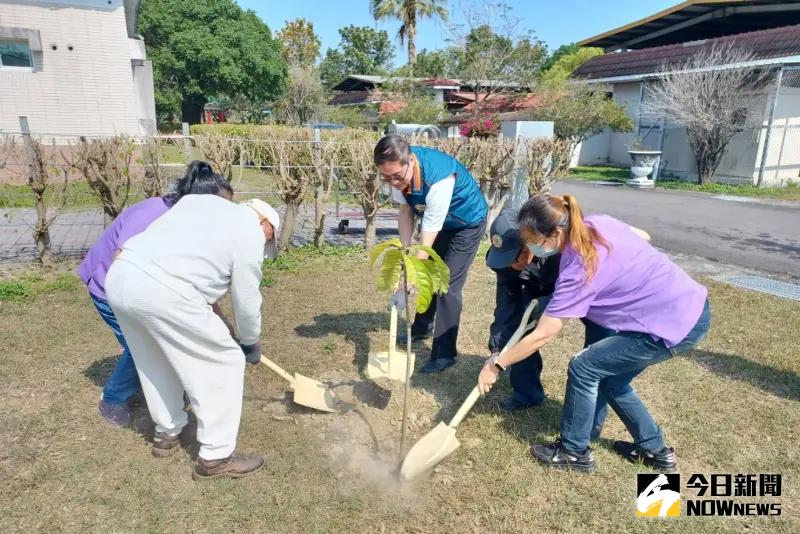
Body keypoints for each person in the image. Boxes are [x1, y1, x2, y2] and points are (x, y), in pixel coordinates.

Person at [477, 195, 710, 474]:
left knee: (585, 367)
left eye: (532, 240)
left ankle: (574, 452)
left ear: (556, 233)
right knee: (612, 381)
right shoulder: (597, 223)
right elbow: (642, 235)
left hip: (671, 324)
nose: (530, 246)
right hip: (690, 307)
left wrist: (497, 364)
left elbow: (544, 333)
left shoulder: (578, 269)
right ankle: (656, 452)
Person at [105, 195, 280, 480]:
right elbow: (246, 300)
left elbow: (190, 267)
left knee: (153, 357)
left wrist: (222, 324)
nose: (265, 246)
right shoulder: (249, 231)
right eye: (269, 238)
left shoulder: (199, 202)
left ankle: (167, 431)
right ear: (263, 222)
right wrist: (249, 343)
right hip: (163, 290)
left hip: (122, 276)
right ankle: (216, 456)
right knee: (226, 360)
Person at [79, 161, 234, 428]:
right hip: (111, 288)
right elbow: (121, 267)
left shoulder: (188, 226)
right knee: (143, 345)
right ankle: (113, 399)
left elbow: (194, 280)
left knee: (157, 340)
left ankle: (168, 382)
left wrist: (224, 323)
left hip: (141, 288)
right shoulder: (153, 214)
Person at [374, 135, 488, 374]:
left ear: (411, 161)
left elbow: (427, 240)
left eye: (397, 176)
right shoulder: (396, 174)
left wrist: (410, 278)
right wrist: (405, 255)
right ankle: (421, 328)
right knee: (426, 274)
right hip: (440, 223)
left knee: (446, 284)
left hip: (466, 223)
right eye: (386, 177)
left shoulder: (439, 179)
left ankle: (444, 353)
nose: (392, 181)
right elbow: (405, 212)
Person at [486, 209, 613, 421]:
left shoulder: (564, 249)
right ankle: (527, 394)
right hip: (541, 286)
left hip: (594, 298)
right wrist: (497, 348)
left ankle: (589, 424)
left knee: (595, 358)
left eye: (515, 257)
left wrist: (549, 303)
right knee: (517, 333)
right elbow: (506, 306)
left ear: (531, 241)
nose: (512, 265)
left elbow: (581, 284)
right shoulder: (507, 263)